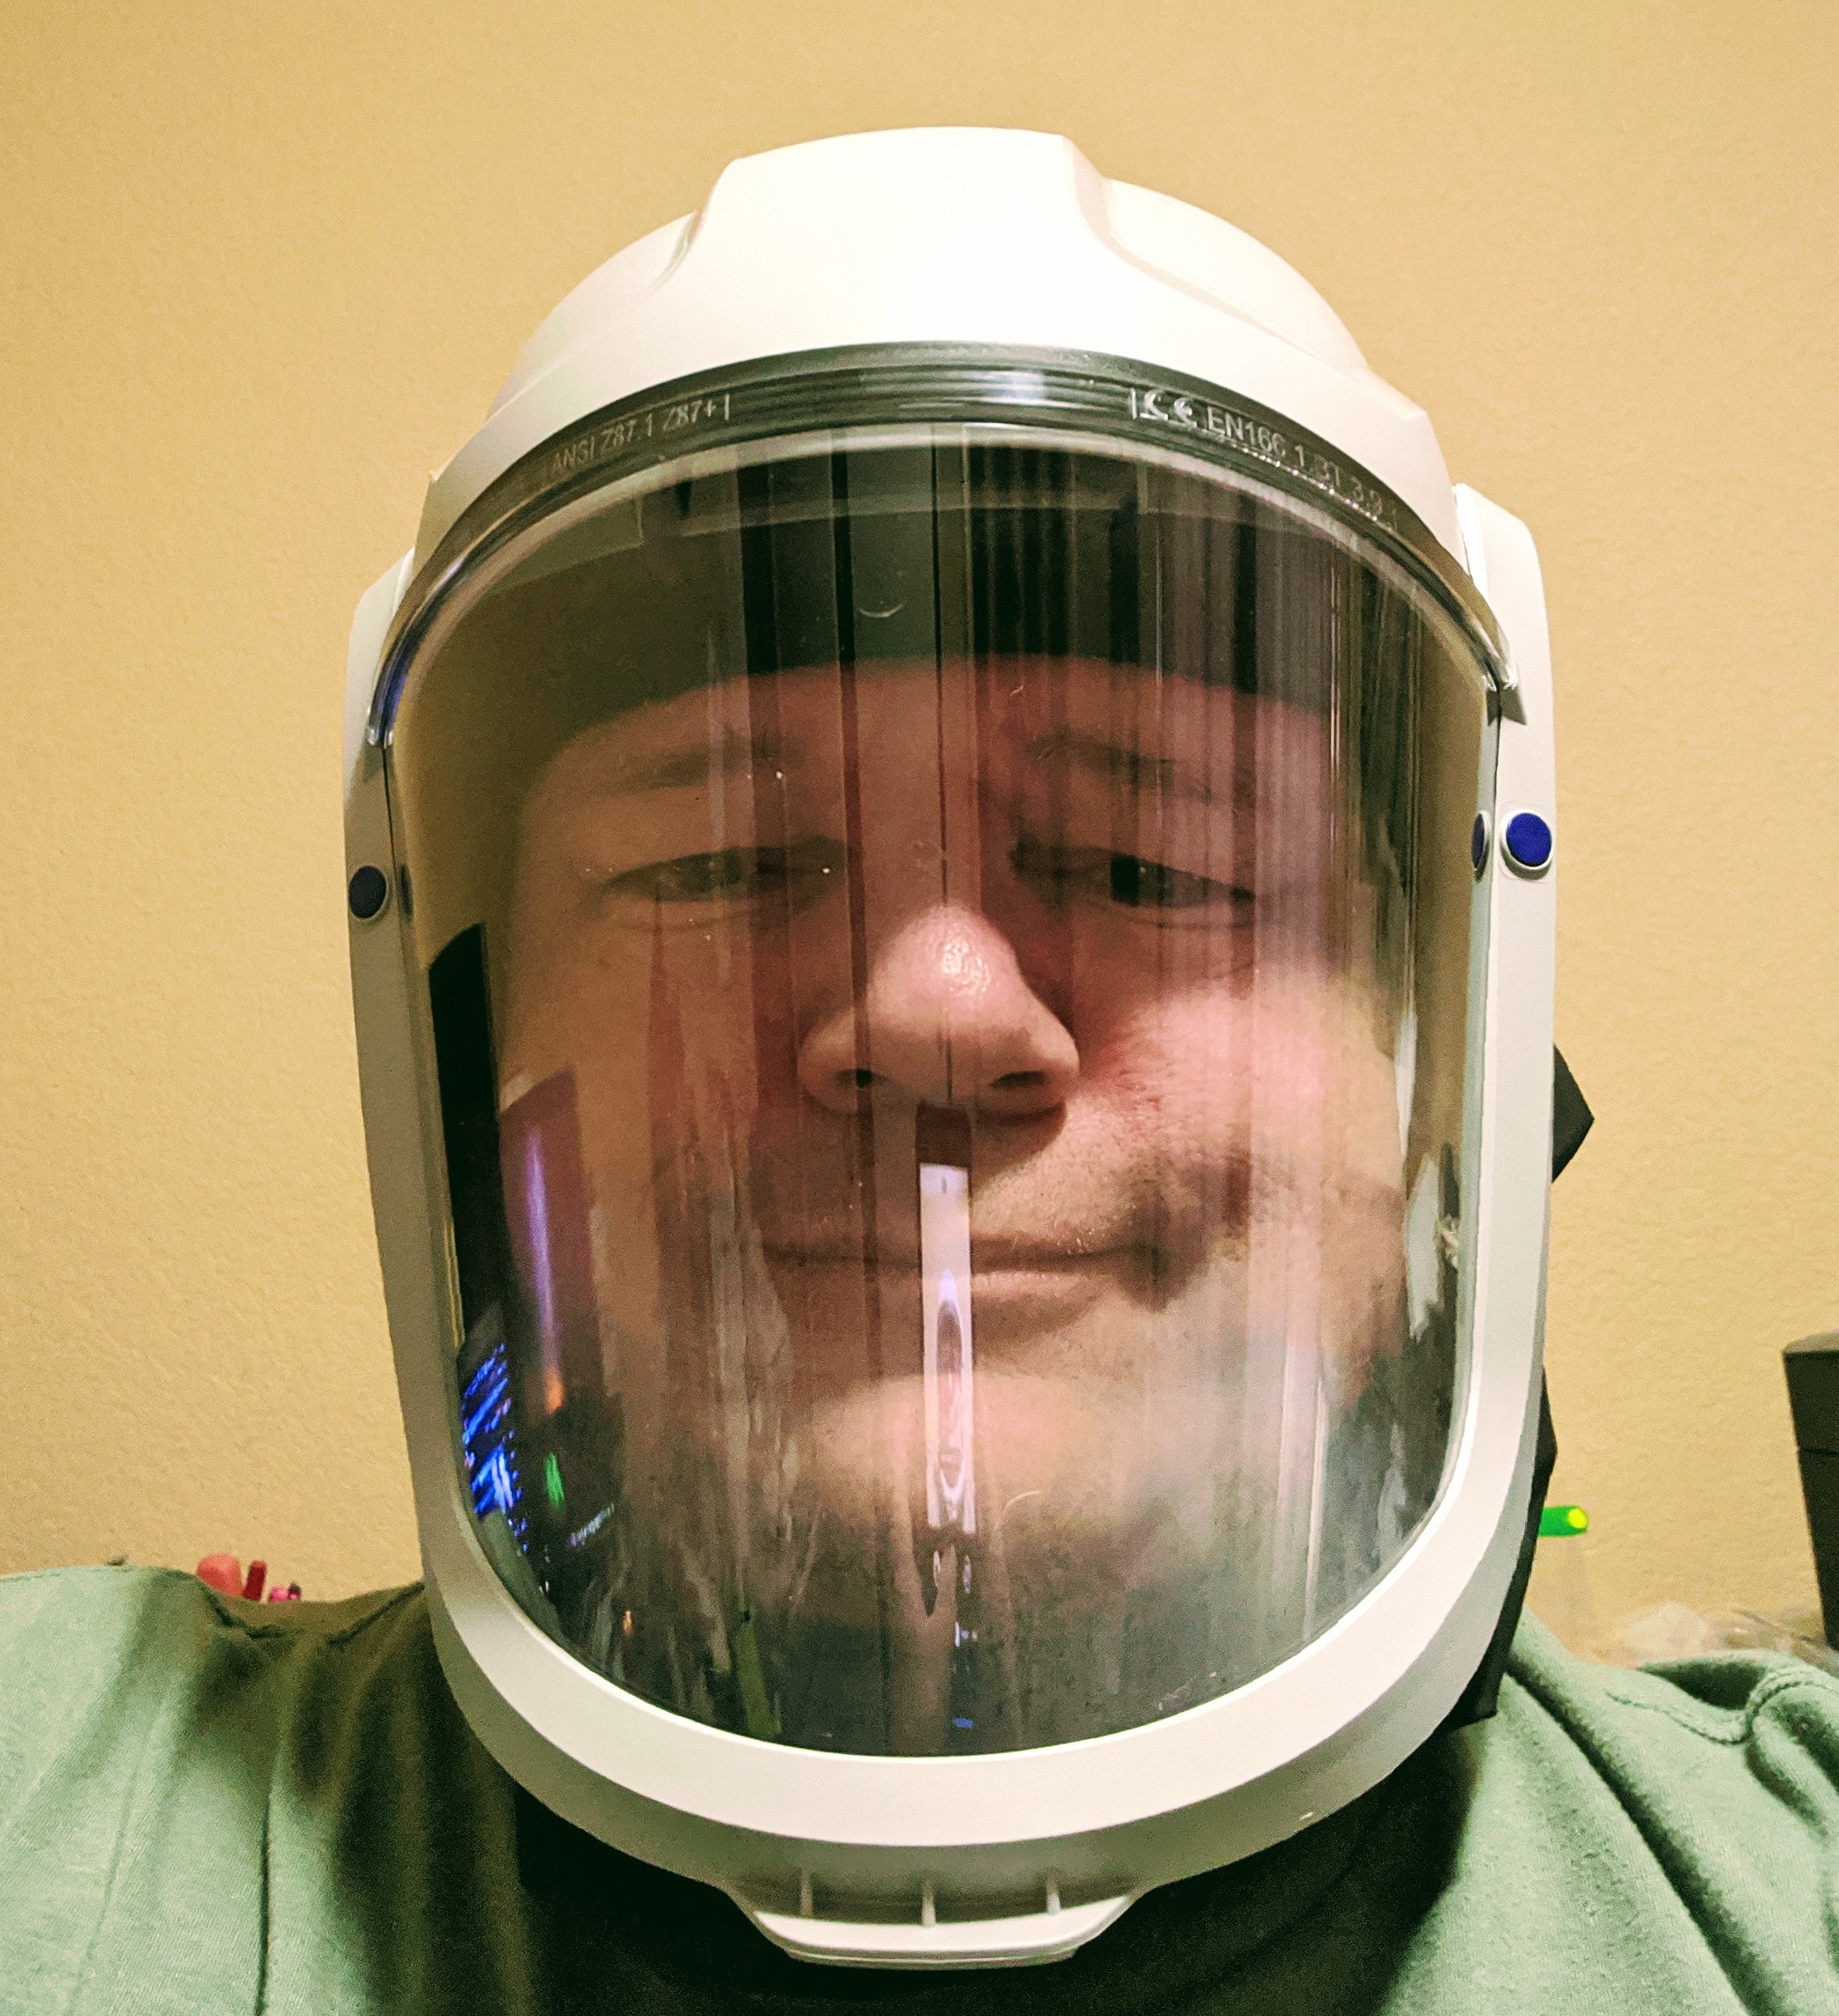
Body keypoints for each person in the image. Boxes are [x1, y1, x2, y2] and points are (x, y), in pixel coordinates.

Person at [3, 129, 1836, 2012]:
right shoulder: (59, 1807)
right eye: (718, 861)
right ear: (471, 1051)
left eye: (1152, 867)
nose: (936, 1011)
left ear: (1435, 1084)